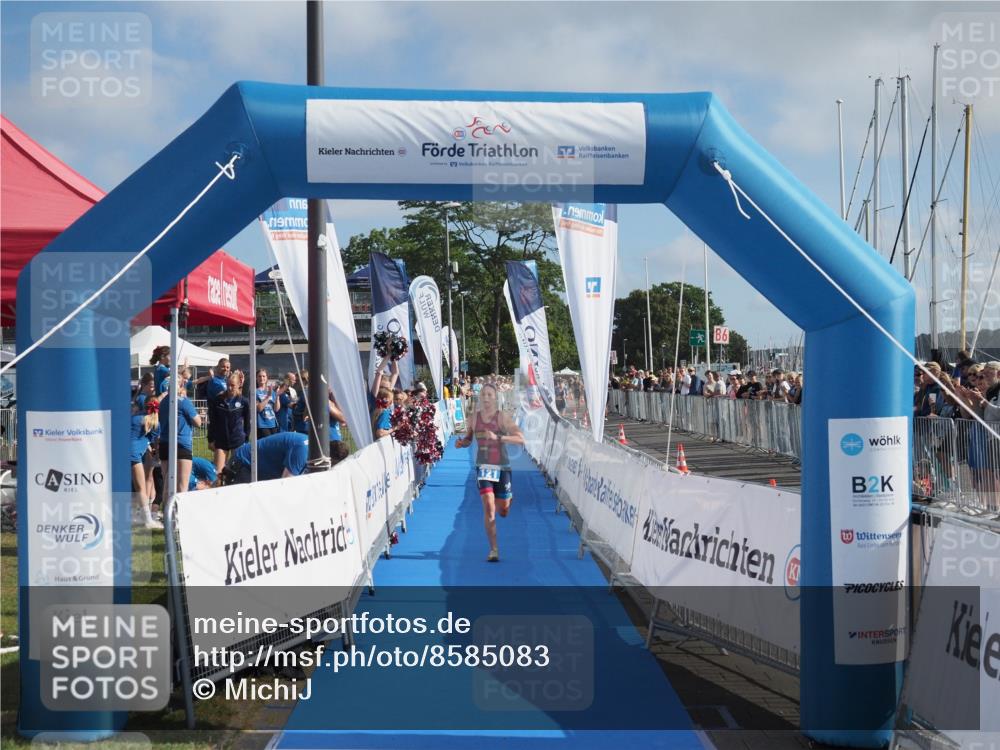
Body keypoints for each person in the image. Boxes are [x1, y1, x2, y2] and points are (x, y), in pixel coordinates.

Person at [454, 383, 525, 562]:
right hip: (483, 467)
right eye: (483, 395)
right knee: (489, 508)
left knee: (503, 511)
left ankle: (507, 500)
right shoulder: (473, 418)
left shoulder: (503, 418)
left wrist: (498, 437)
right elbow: (470, 438)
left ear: (495, 398)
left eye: (489, 395)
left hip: (502, 467)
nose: (486, 398)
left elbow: (520, 439)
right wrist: (463, 442)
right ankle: (493, 549)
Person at [159, 370, 202, 496]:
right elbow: (198, 422)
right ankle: (178, 514)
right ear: (180, 385)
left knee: (167, 482)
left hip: (165, 443)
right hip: (182, 444)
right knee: (182, 486)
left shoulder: (163, 402)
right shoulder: (183, 402)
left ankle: (166, 512)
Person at [222, 431, 310, 484]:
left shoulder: (309, 446)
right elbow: (286, 485)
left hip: (261, 469)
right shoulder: (302, 450)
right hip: (244, 464)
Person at [130, 399, 162, 529]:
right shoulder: (156, 424)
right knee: (141, 488)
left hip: (123, 453)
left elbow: (140, 438)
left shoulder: (135, 418)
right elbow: (155, 442)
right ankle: (148, 520)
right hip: (134, 456)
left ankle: (133, 515)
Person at [211, 371, 251, 469]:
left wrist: (246, 439)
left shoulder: (244, 401)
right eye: (228, 385)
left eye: (232, 385)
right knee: (218, 472)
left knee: (235, 471)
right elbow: (212, 420)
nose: (229, 388)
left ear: (238, 385)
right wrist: (211, 439)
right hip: (221, 440)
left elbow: (247, 422)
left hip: (237, 440)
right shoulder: (218, 399)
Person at [255, 369, 280, 438]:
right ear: (256, 378)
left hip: (273, 424)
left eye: (263, 376)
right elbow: (258, 408)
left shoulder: (271, 391)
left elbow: (276, 409)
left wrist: (277, 396)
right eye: (259, 376)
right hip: (262, 424)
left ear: (267, 378)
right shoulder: (255, 392)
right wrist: (268, 397)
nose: (261, 378)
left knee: (274, 446)